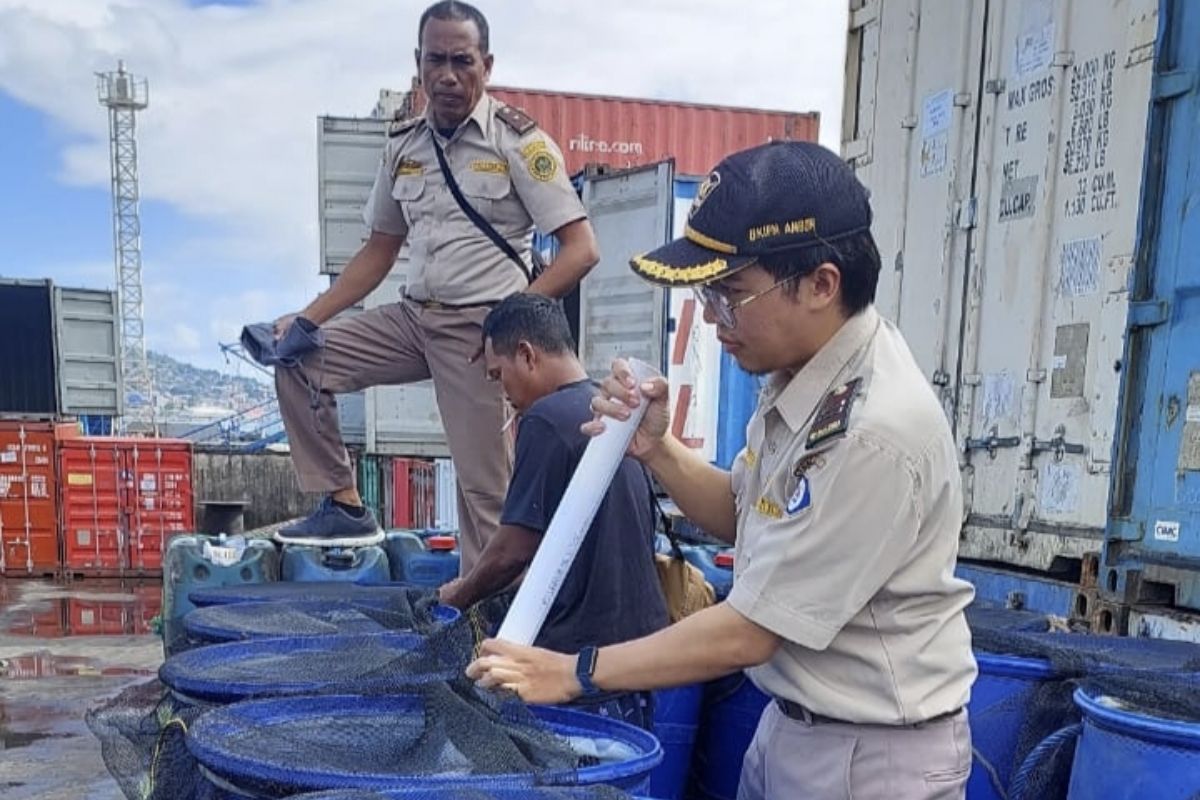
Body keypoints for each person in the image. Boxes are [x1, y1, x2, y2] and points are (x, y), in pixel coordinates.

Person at [467, 141, 978, 799]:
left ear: (821, 284)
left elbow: (752, 629)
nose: (711, 319)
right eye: (708, 294)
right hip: (795, 726)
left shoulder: (875, 430)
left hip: (869, 755)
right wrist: (658, 448)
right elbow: (747, 512)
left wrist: (575, 671)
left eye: (731, 293)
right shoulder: (805, 375)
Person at [270, 1, 599, 571]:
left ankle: (494, 617)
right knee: (299, 361)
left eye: (462, 61)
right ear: (417, 65)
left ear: (486, 65)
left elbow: (581, 249)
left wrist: (511, 324)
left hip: (478, 329)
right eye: (435, 60)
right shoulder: (404, 145)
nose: (447, 75)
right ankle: (345, 504)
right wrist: (306, 320)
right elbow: (378, 253)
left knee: (485, 492)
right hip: (412, 319)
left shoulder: (517, 142)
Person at [439, 292, 668, 730]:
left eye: (498, 375)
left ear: (526, 355)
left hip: (575, 670)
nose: (503, 394)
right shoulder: (615, 417)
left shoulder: (545, 419)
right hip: (635, 663)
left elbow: (513, 549)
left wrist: (460, 596)